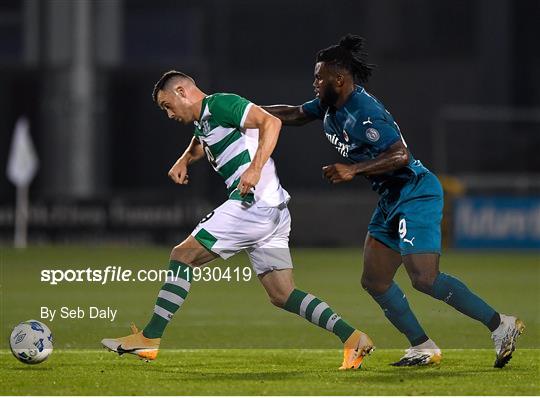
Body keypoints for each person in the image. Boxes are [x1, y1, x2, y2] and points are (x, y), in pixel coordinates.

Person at [262, 34, 524, 368]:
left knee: (424, 278)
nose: (314, 83)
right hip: (391, 198)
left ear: (339, 80)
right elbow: (296, 114)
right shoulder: (330, 105)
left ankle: (501, 325)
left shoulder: (365, 111)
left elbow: (400, 154)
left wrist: (353, 169)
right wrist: (244, 111)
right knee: (375, 280)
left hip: (416, 192)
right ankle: (423, 346)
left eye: (319, 77)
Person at [101, 70, 374, 370]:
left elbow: (271, 122)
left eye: (167, 105)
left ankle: (150, 339)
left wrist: (255, 168)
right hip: (273, 210)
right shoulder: (205, 119)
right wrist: (184, 159)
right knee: (282, 294)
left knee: (182, 255)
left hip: (252, 205)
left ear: (181, 91)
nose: (168, 114)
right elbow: (201, 139)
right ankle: (353, 338)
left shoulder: (221, 104)